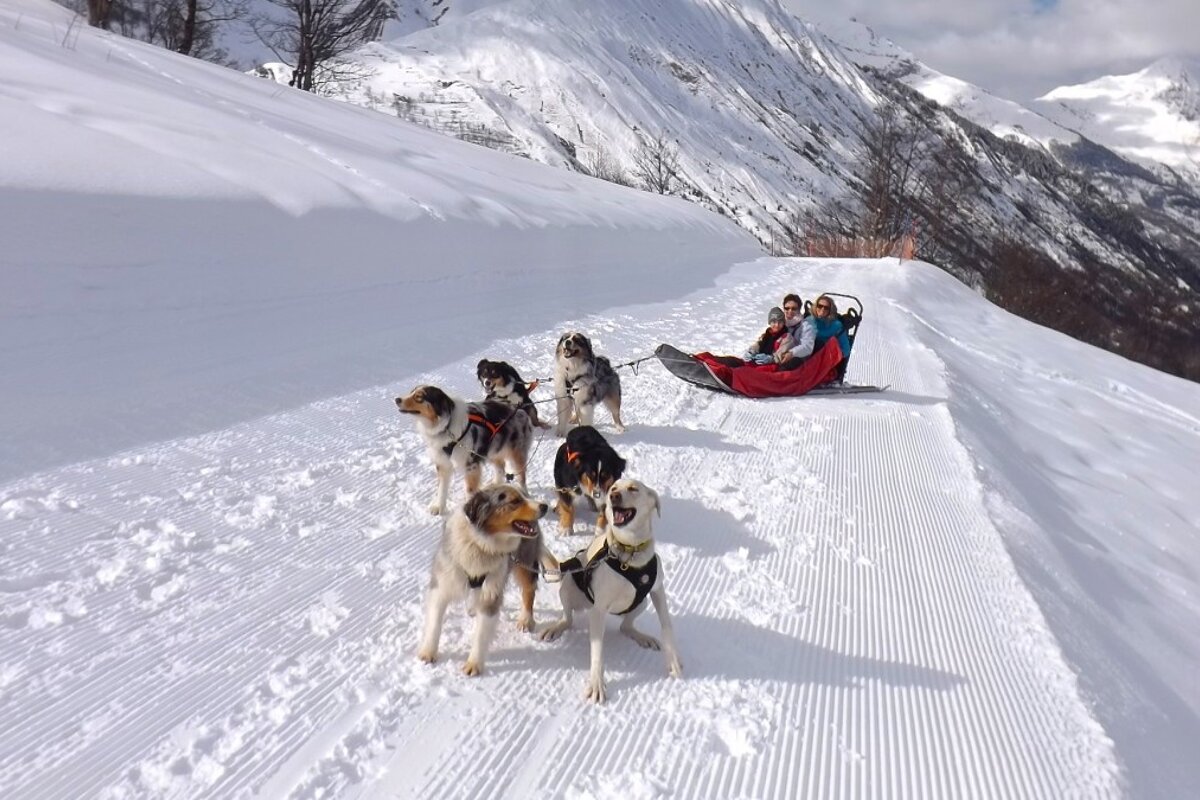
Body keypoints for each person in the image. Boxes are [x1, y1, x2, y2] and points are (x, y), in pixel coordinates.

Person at [774, 293, 815, 371]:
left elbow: (807, 347)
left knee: (782, 368)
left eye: (794, 308)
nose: (790, 311)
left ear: (799, 309)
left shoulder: (806, 325)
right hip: (780, 353)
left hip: (797, 357)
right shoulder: (781, 322)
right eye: (787, 308)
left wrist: (792, 353)